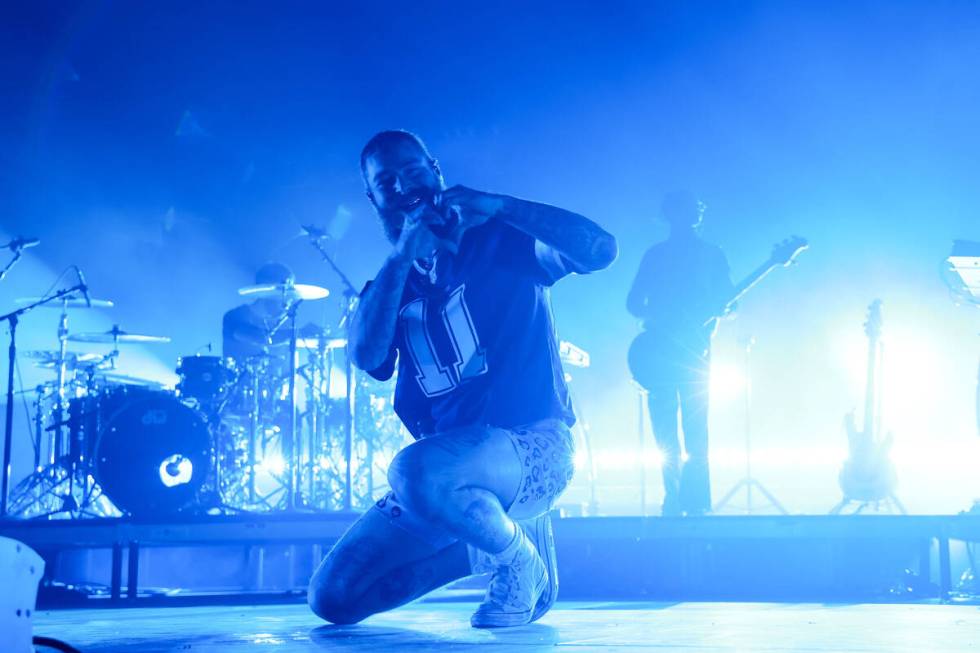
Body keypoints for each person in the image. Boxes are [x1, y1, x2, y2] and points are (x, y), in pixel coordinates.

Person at [307, 130, 617, 628]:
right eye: (386, 181)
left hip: (532, 447)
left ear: (435, 170)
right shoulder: (391, 283)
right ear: (374, 199)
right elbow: (366, 356)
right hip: (448, 474)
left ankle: (518, 561)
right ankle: (493, 550)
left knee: (410, 471)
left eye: (412, 170)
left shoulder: (502, 245)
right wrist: (405, 250)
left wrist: (498, 205)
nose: (404, 185)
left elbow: (599, 250)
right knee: (334, 597)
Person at [626, 192, 734, 517]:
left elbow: (731, 302)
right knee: (678, 428)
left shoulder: (709, 256)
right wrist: (659, 317)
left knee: (690, 427)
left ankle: (689, 500)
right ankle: (681, 499)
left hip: (692, 354)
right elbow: (633, 302)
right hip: (666, 352)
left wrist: (724, 308)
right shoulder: (657, 256)